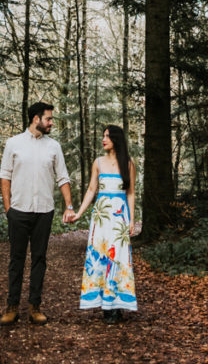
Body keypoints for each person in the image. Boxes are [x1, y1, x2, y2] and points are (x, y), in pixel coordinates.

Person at [0, 100, 75, 326]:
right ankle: (12, 307)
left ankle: (35, 307)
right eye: (48, 119)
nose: (51, 122)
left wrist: (69, 206)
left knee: (39, 259)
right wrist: (8, 209)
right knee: (16, 259)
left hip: (44, 211)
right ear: (36, 119)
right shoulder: (13, 143)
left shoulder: (54, 146)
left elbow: (63, 177)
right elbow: (5, 176)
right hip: (18, 211)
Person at [68, 124, 137, 321]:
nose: (103, 139)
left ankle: (116, 304)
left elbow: (131, 193)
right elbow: (91, 190)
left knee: (118, 257)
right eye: (103, 136)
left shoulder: (128, 163)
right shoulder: (98, 162)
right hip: (101, 218)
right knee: (101, 255)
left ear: (116, 139)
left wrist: (132, 220)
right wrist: (79, 213)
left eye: (107, 136)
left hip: (119, 217)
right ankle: (106, 306)